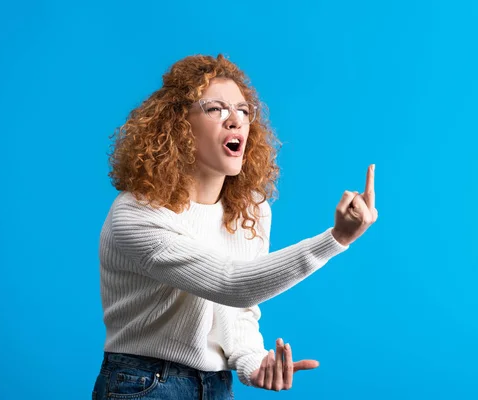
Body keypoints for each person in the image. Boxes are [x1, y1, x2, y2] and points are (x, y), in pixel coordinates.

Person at [92, 53, 377, 400]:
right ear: (179, 125)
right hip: (144, 384)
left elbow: (237, 311)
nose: (235, 121)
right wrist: (336, 239)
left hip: (216, 386)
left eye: (243, 111)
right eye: (215, 109)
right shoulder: (135, 214)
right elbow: (230, 284)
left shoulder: (251, 209)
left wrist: (252, 360)